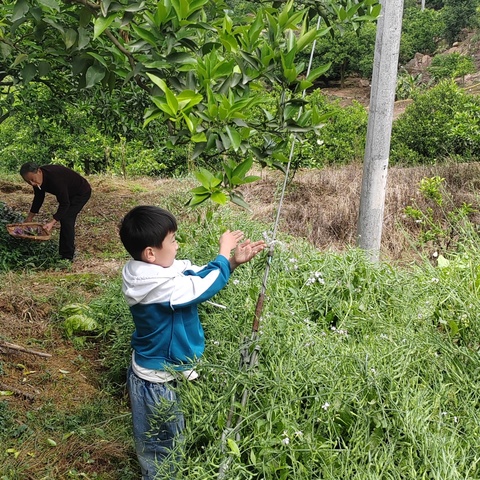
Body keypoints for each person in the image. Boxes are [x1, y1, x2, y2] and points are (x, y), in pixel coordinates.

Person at [119, 205, 265, 480]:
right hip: (156, 381)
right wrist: (223, 253)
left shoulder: (146, 271)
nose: (176, 246)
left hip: (165, 371)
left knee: (171, 433)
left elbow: (192, 274)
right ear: (150, 253)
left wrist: (231, 262)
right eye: (172, 241)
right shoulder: (158, 287)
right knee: (159, 447)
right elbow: (203, 286)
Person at [19, 162, 92, 261]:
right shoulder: (38, 181)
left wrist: (52, 222)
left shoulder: (55, 179)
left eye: (32, 180)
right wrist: (29, 218)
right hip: (68, 192)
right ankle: (64, 253)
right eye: (28, 182)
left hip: (81, 192)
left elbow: (65, 204)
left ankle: (67, 256)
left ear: (39, 171)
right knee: (64, 217)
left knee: (66, 219)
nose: (32, 183)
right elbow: (39, 198)